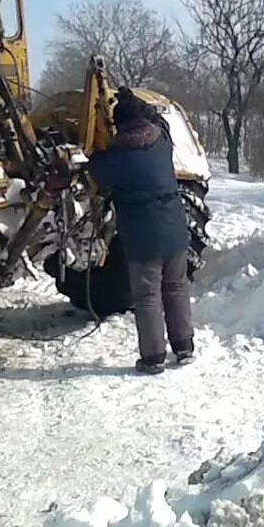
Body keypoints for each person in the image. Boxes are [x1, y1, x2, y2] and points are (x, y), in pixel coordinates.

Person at [86, 88, 195, 374]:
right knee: (176, 288)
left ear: (119, 126)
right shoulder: (162, 144)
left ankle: (153, 357)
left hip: (143, 239)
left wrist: (93, 152)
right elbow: (162, 124)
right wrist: (139, 104)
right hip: (174, 230)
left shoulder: (117, 158)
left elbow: (95, 169)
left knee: (148, 297)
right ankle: (184, 348)